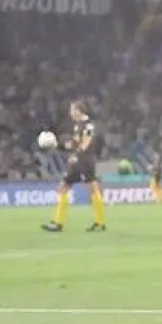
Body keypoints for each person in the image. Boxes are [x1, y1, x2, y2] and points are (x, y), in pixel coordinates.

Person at [42, 100, 107, 233]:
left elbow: (85, 144)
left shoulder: (88, 125)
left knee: (92, 189)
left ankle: (100, 223)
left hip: (85, 161)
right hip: (78, 161)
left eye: (72, 110)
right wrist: (58, 145)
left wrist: (76, 155)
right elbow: (73, 144)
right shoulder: (78, 126)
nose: (70, 113)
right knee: (63, 186)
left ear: (78, 110)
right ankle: (57, 223)